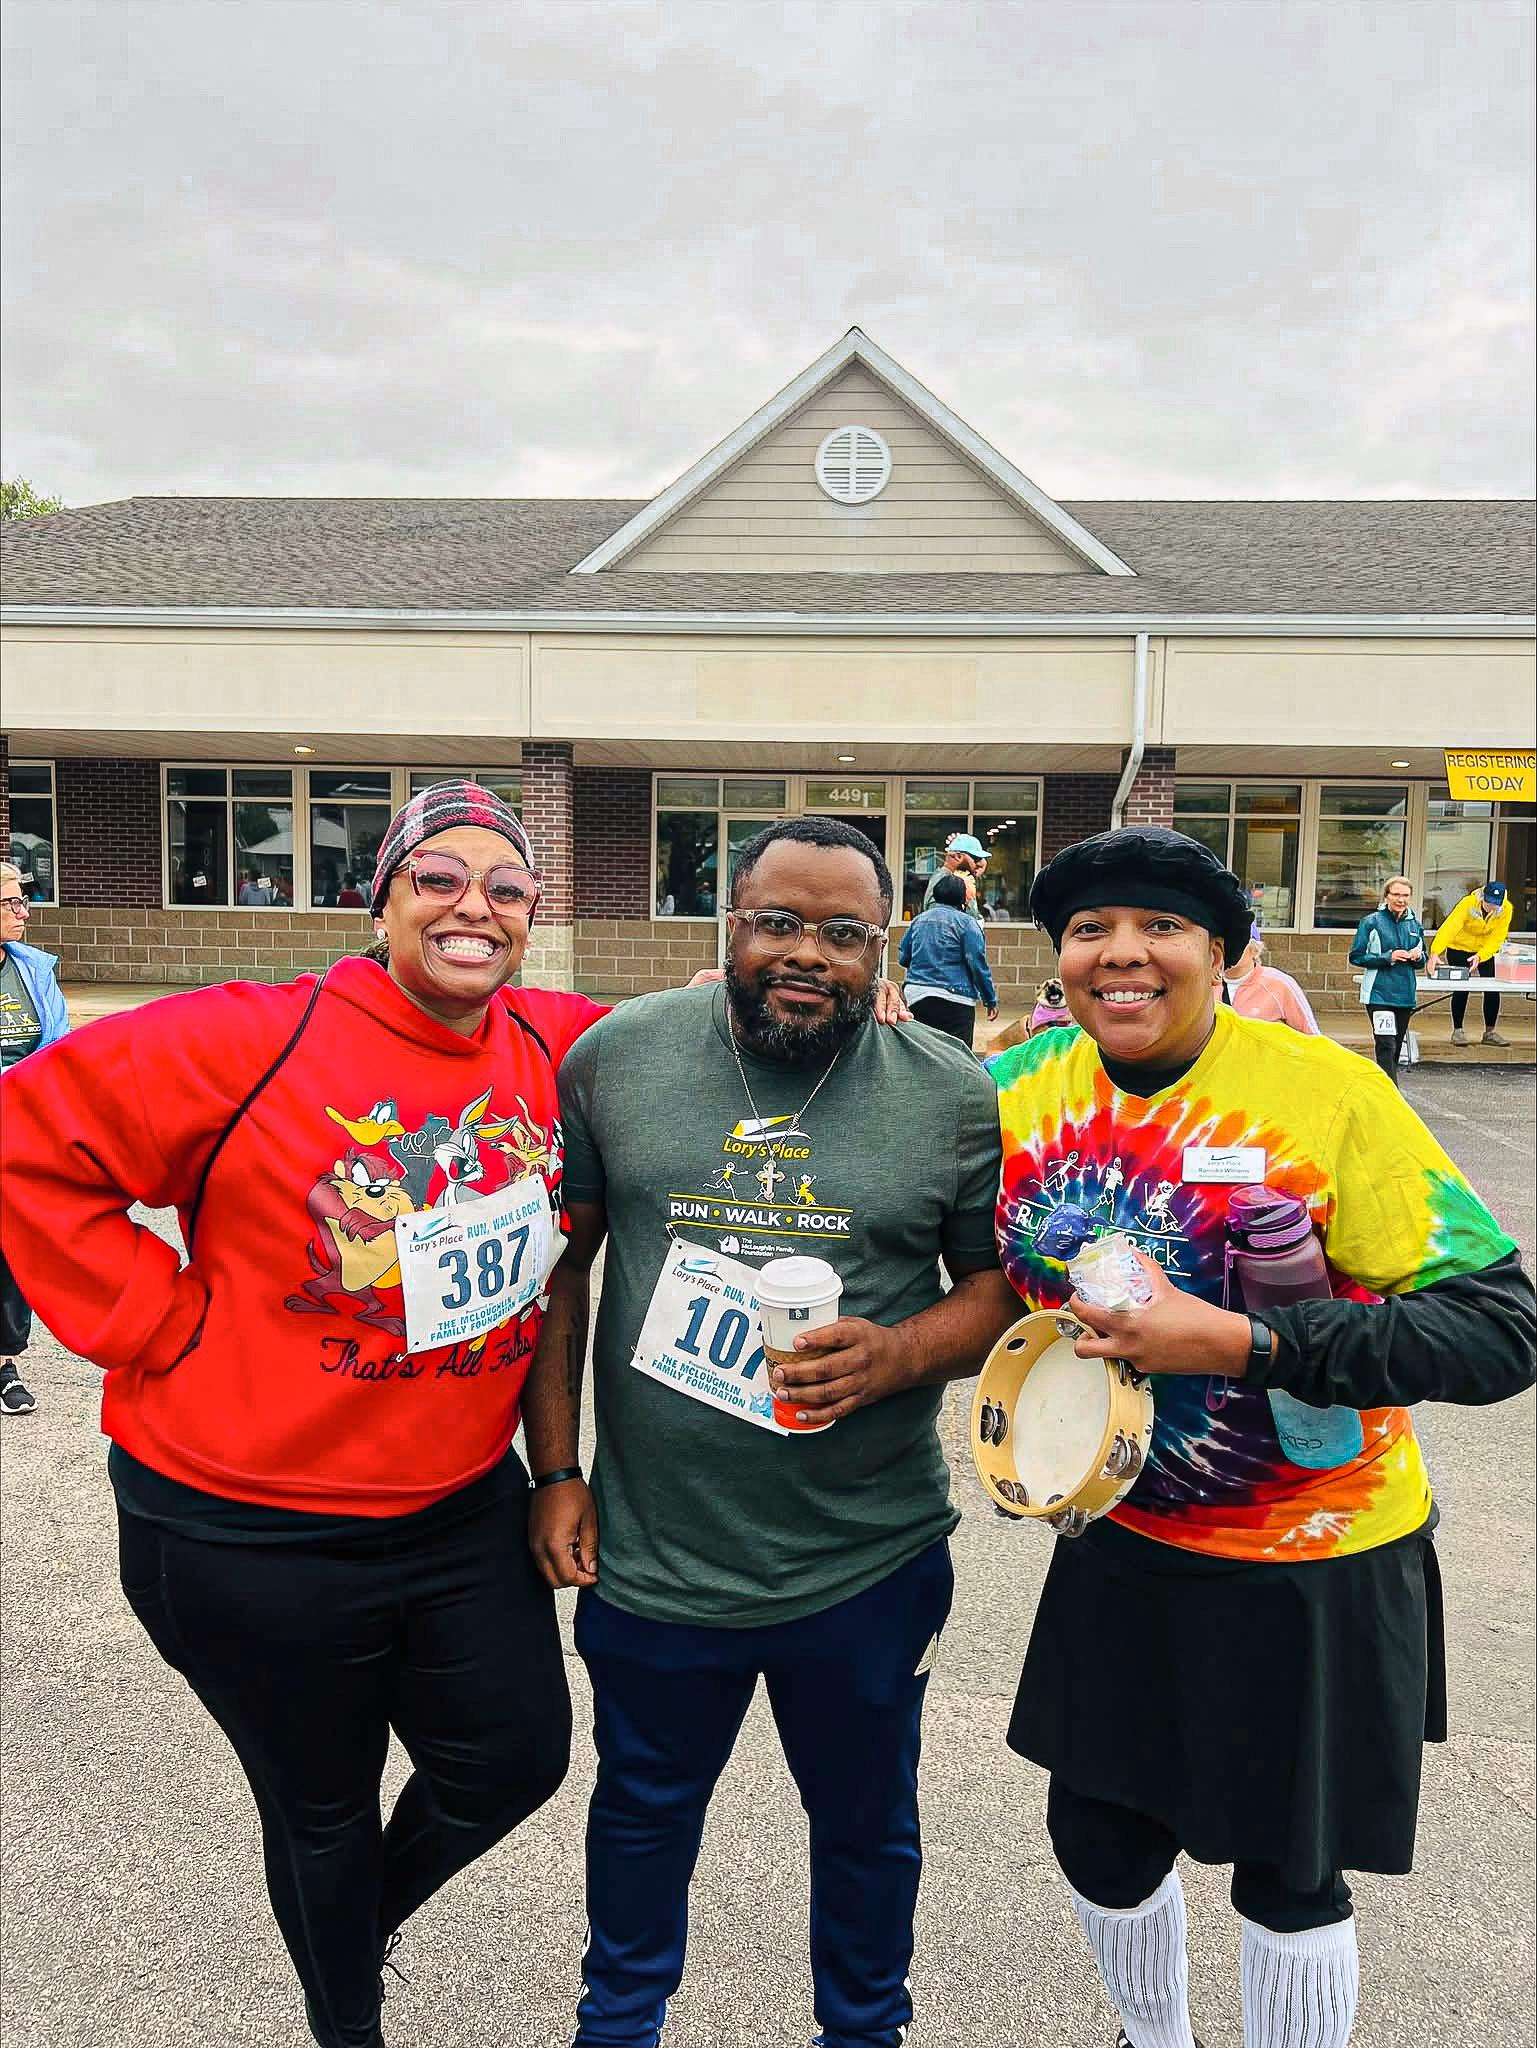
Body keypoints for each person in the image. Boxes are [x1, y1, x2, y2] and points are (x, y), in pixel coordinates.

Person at [0, 782, 610, 2048]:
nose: (472, 905)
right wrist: (156, 1320)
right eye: (436, 876)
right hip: (241, 1526)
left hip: (453, 1503)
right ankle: (348, 2020)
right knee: (321, 1811)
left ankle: (345, 1919)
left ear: (532, 918)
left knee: (514, 1757)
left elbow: (711, 1036)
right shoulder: (247, 1035)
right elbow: (24, 1134)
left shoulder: (556, 1042)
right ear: (379, 896)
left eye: (504, 886)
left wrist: (861, 996)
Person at [989, 825, 1535, 2048]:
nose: (1121, 953)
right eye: (1088, 930)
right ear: (1060, 960)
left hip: (1314, 1558)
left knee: (1288, 1869)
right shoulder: (1019, 1093)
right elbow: (972, 1266)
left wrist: (1248, 1344)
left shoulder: (1329, 1094)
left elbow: (1500, 1329)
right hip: (1119, 1535)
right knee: (1099, 1834)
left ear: (1225, 955)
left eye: (1161, 927)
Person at [520, 814, 1018, 2048]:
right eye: (777, 921)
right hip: (655, 1550)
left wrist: (899, 1350)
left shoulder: (951, 1092)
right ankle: (618, 2023)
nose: (808, 951)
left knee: (865, 1825)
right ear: (728, 927)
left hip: (865, 1555)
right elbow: (559, 1274)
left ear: (882, 948)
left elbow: (998, 1287)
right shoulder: (619, 1054)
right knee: (639, 1812)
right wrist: (558, 1468)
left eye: (843, 933)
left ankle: (863, 2031)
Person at [0, 859, 71, 1416]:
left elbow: (58, 1048)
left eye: (22, 899)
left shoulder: (34, 970)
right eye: (10, 902)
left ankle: (5, 1363)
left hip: (19, 1129)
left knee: (10, 1248)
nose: (23, 911)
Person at [897, 869, 999, 1048]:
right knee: (958, 1056)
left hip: (917, 996)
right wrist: (990, 1000)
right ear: (962, 899)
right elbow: (977, 963)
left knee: (922, 1052)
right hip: (956, 1000)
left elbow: (904, 957)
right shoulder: (967, 923)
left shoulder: (919, 920)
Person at [1347, 875, 1424, 1083]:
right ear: (1386, 896)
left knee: (1397, 1045)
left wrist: (1418, 957)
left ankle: (1385, 1084)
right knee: (1385, 1044)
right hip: (1378, 994)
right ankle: (1391, 1092)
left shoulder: (1415, 925)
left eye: (1405, 895)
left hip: (1405, 994)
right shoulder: (1371, 922)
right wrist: (1387, 957)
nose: (1401, 899)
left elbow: (1421, 961)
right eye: (1396, 894)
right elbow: (1356, 956)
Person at [1429, 879, 1513, 1047]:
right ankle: (1458, 1031)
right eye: (1488, 902)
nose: (1491, 907)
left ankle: (1490, 1032)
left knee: (1492, 990)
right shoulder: (1468, 903)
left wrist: (1481, 956)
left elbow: (1497, 938)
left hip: (1484, 951)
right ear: (1483, 896)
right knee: (1461, 989)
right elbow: (1450, 927)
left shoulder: (1506, 909)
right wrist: (1435, 952)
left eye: (1495, 904)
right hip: (1459, 948)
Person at [1225, 925, 1319, 1034]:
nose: (1229, 949)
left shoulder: (1279, 984)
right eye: (1223, 943)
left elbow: (1312, 1035)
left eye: (1237, 943)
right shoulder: (1206, 983)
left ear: (1254, 951)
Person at [920, 830, 987, 917]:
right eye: (976, 858)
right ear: (958, 856)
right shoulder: (943, 883)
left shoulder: (952, 878)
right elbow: (940, 922)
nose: (978, 864)